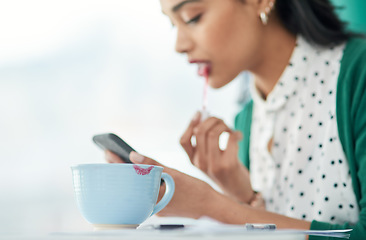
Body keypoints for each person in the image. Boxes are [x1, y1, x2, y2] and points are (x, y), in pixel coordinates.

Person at [105, 0, 366, 239]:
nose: (179, 45)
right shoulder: (247, 119)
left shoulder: (358, 75)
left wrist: (212, 207)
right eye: (173, 25)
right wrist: (244, 198)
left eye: (192, 17)